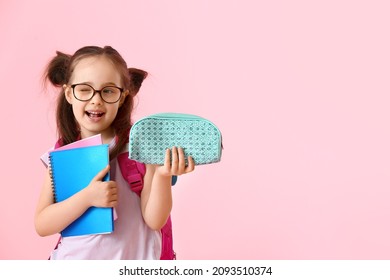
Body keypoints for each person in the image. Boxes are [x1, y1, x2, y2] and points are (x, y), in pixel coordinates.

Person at [34, 46, 195, 259]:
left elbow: (155, 220)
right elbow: (43, 225)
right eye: (84, 89)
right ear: (69, 94)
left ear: (122, 97)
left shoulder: (140, 149)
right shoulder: (63, 156)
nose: (96, 99)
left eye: (108, 90)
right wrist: (87, 198)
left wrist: (162, 176)